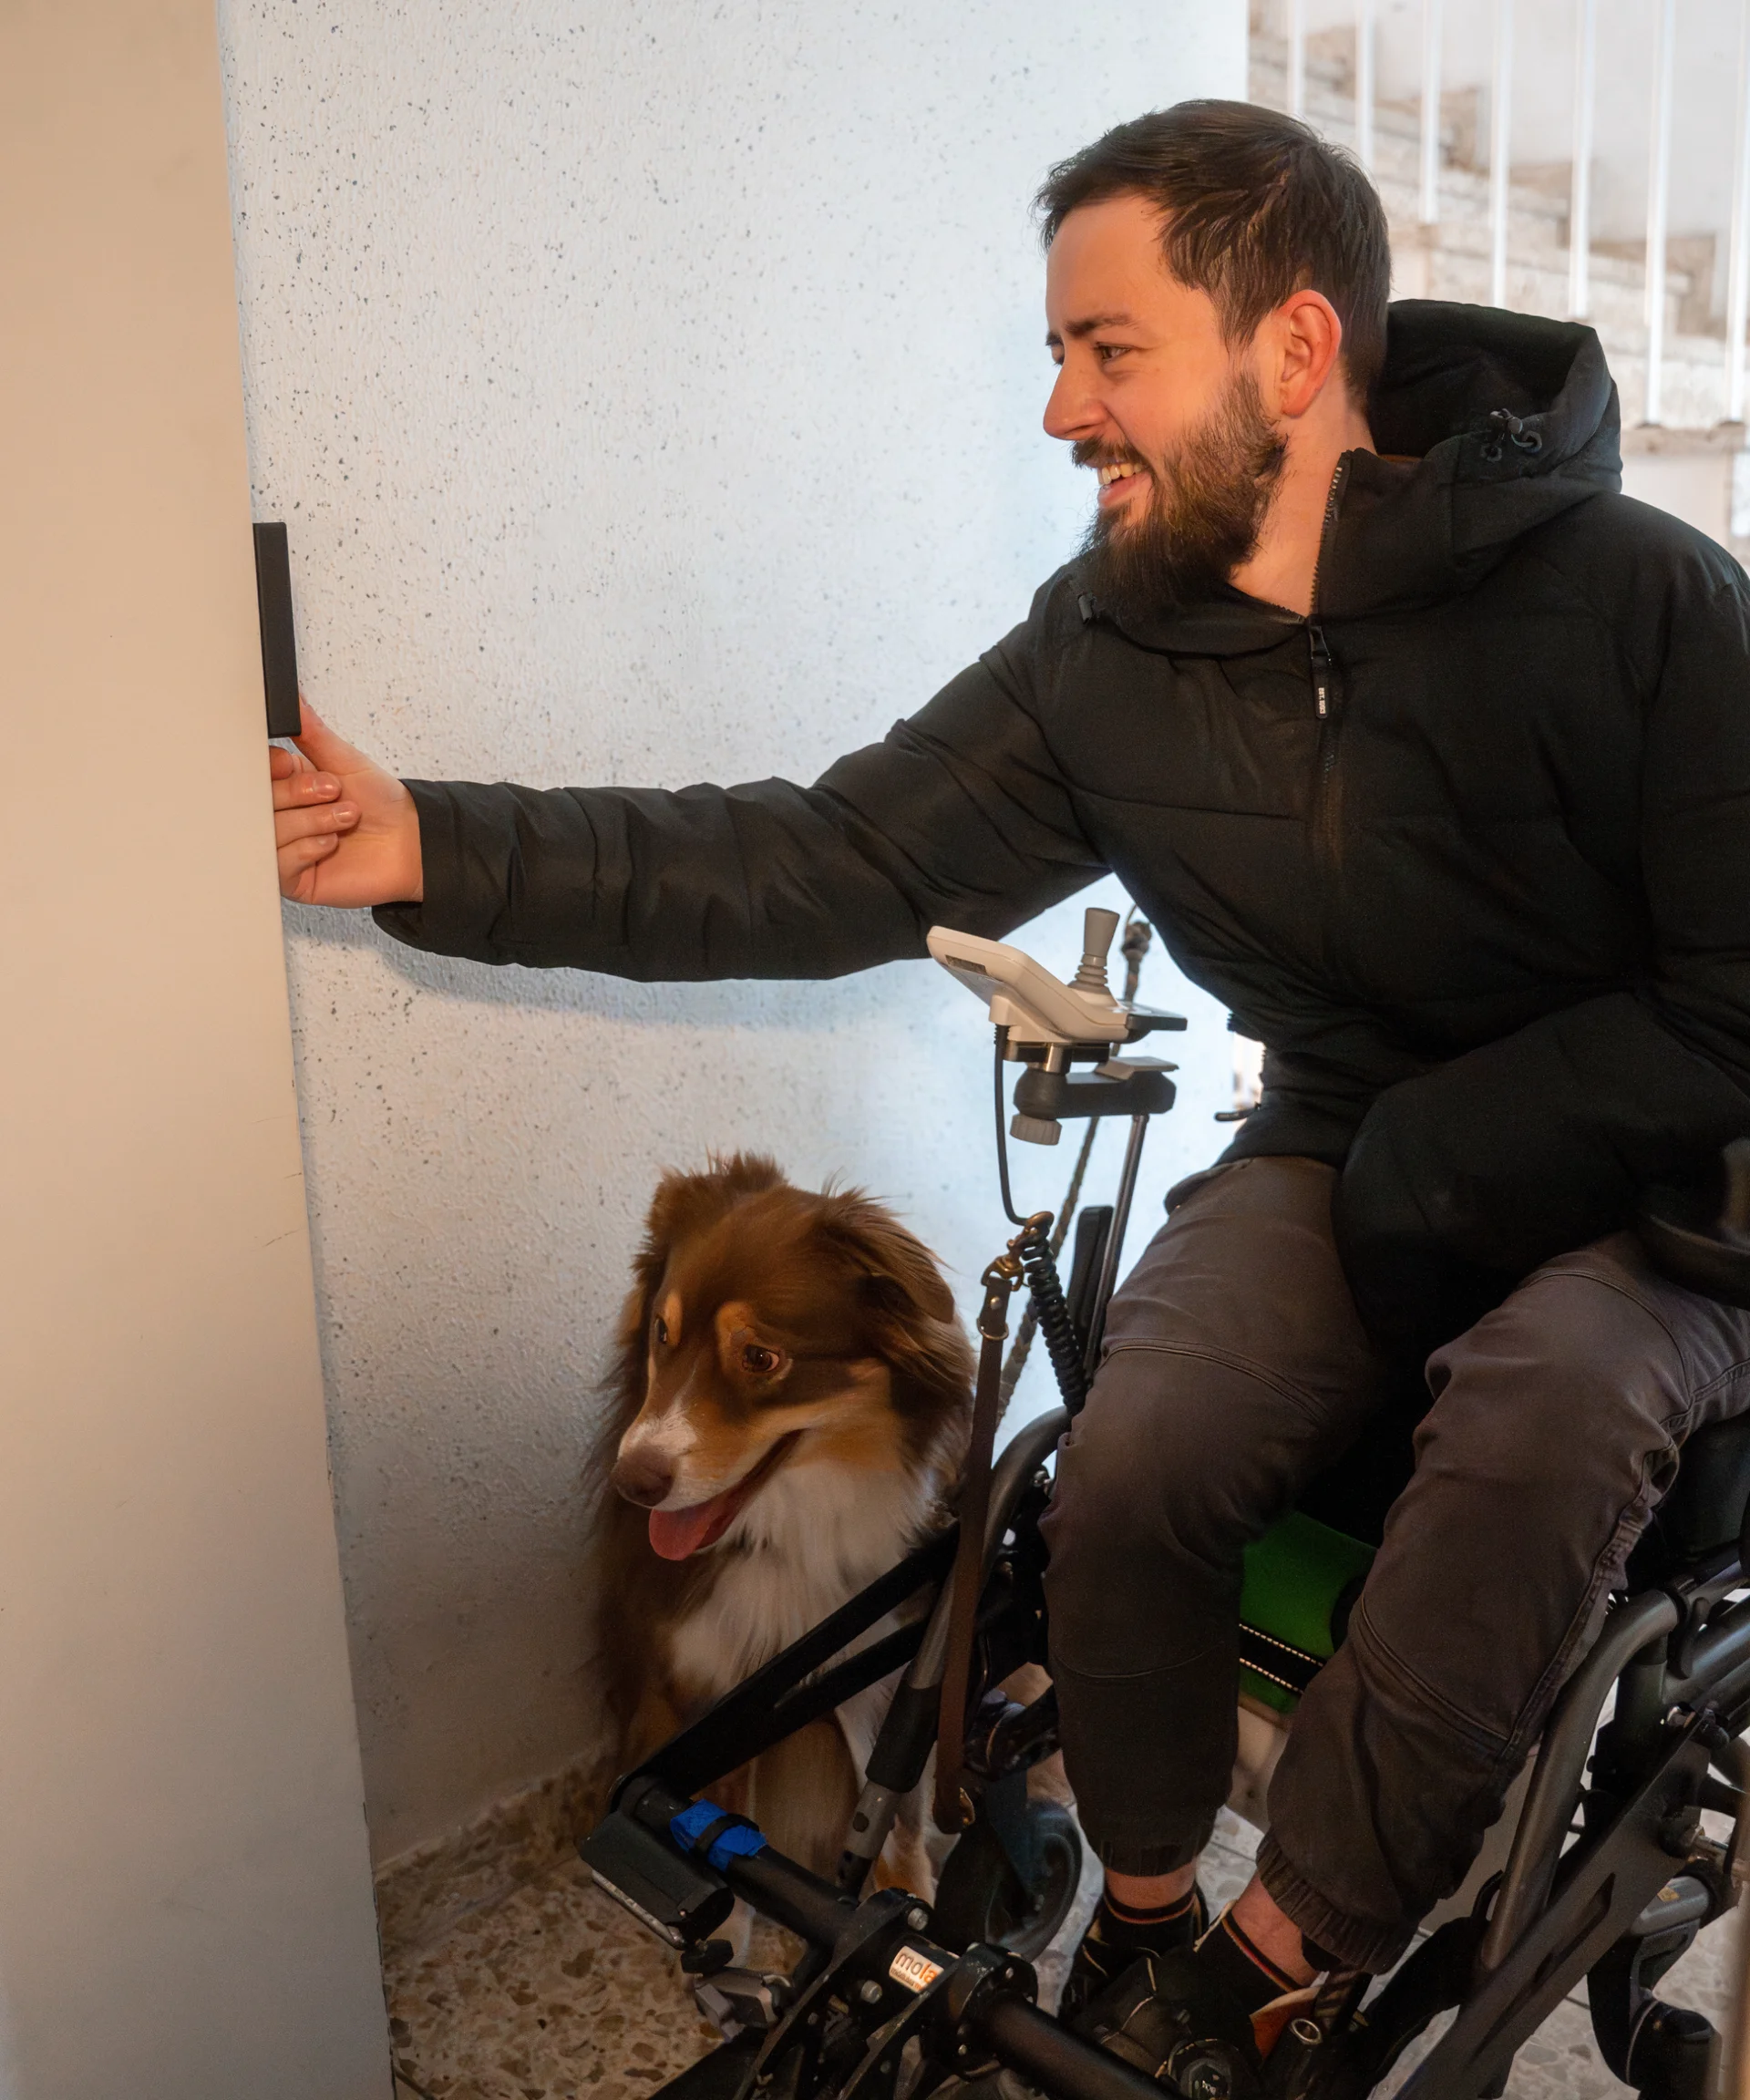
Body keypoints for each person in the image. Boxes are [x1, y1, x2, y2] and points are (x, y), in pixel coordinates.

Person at [271, 99, 1750, 2048]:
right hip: (1345, 1147)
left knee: (1547, 1408)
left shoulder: (1642, 599)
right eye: (1058, 356)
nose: (1064, 412)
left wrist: (1442, 1164)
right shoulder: (1108, 649)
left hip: (1667, 1195)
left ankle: (1276, 1963)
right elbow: (825, 854)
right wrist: (431, 851)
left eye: (1108, 351)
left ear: (1294, 353)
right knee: (1123, 1449)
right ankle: (1143, 1922)